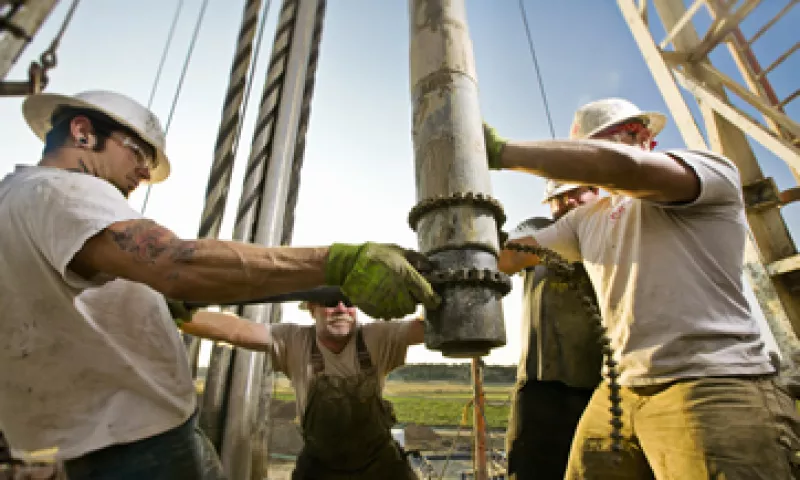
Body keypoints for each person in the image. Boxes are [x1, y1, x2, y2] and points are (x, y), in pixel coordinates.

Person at [0, 90, 440, 480]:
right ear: (83, 133)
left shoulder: (15, 200)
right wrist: (337, 263)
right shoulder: (62, 191)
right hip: (138, 442)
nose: (142, 173)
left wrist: (159, 305)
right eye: (139, 154)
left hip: (79, 439)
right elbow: (175, 263)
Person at [484, 97, 800, 479]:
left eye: (592, 148)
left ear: (640, 135)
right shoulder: (587, 220)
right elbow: (514, 256)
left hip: (710, 384)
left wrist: (503, 152)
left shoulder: (707, 172)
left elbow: (624, 167)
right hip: (620, 391)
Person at [173, 289, 422, 480]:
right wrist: (173, 312)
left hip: (380, 464)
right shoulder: (294, 340)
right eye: (330, 301)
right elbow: (236, 330)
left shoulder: (377, 337)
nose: (340, 308)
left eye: (348, 301)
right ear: (312, 308)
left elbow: (423, 329)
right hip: (320, 465)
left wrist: (427, 294)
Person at [501, 180, 603, 480]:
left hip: (603, 385)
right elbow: (513, 249)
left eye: (579, 193)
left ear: (596, 192)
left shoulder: (611, 233)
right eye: (562, 197)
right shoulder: (538, 229)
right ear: (550, 203)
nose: (571, 202)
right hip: (541, 384)